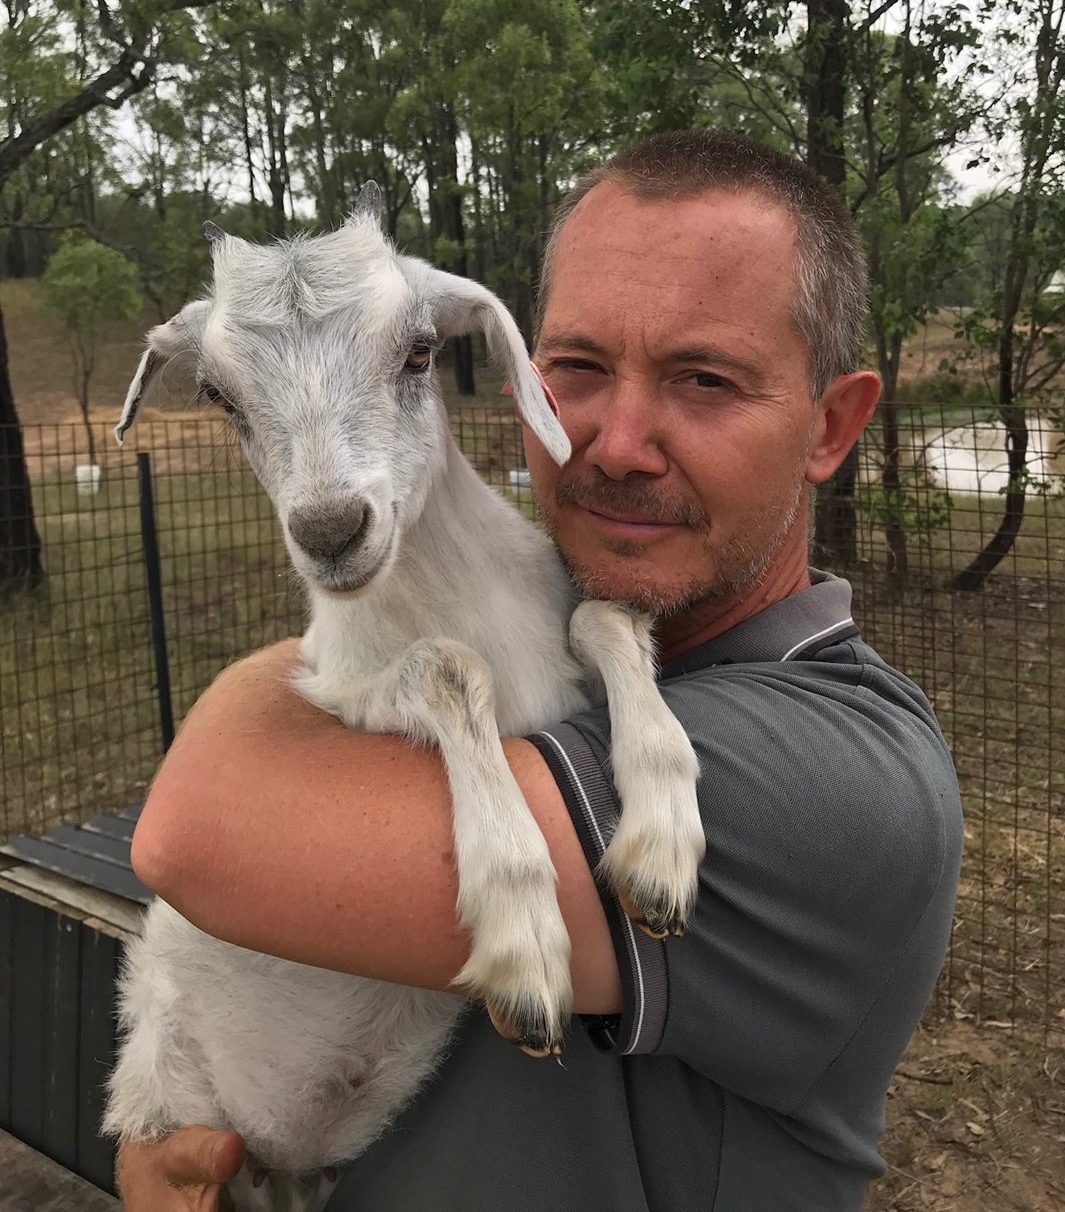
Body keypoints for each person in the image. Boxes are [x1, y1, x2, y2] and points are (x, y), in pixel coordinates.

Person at [117, 130, 963, 1212]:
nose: (615, 441)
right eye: (576, 368)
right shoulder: (565, 641)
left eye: (705, 380)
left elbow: (195, 825)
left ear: (831, 425)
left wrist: (288, 679)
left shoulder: (843, 779)